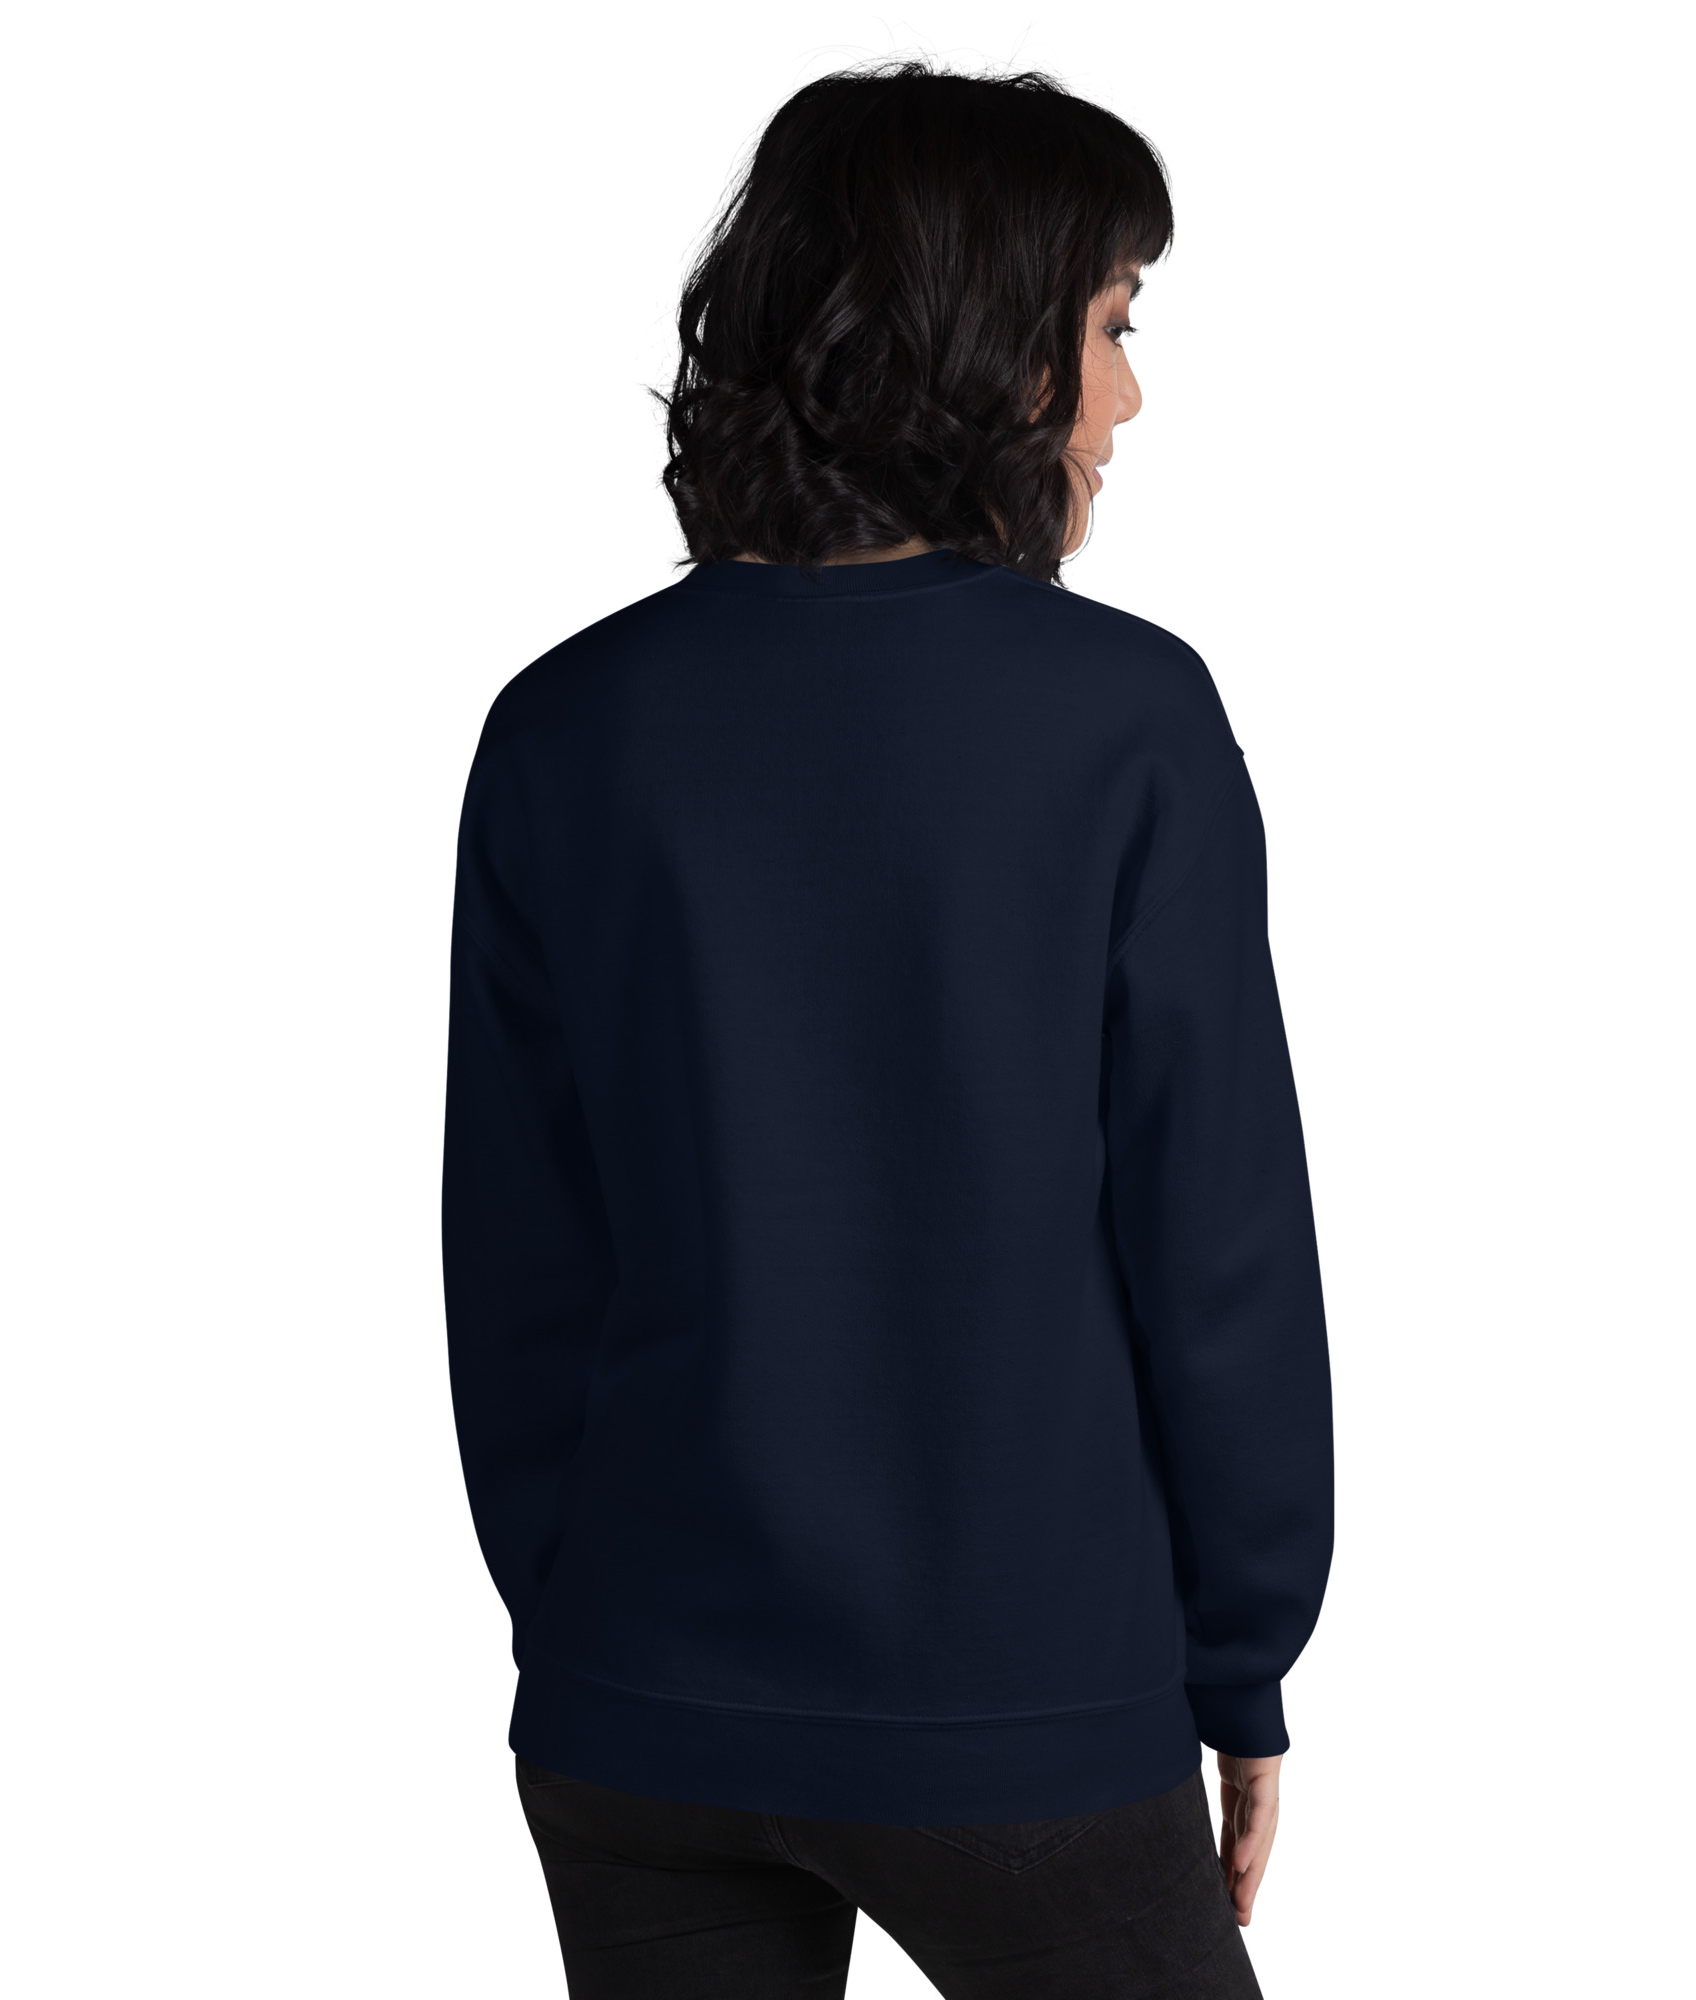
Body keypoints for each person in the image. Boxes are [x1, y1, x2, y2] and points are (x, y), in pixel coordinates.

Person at [441, 60, 1333, 2000]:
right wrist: (1239, 1660)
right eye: (1109, 326)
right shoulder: (1123, 720)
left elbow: (516, 1264)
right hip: (1019, 1713)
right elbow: (1217, 1251)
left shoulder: (562, 725)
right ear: (986, 343)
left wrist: (594, 1631)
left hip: (634, 1710)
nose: (1124, 400)